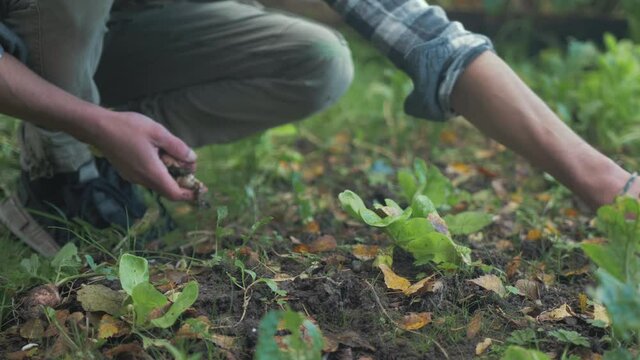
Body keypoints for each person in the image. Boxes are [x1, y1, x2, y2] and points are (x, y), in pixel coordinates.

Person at [0, 0, 636, 255]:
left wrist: (603, 181)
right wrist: (89, 121)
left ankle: (120, 146)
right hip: (32, 36)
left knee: (318, 60)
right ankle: (61, 166)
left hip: (125, 35)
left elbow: (430, 39)